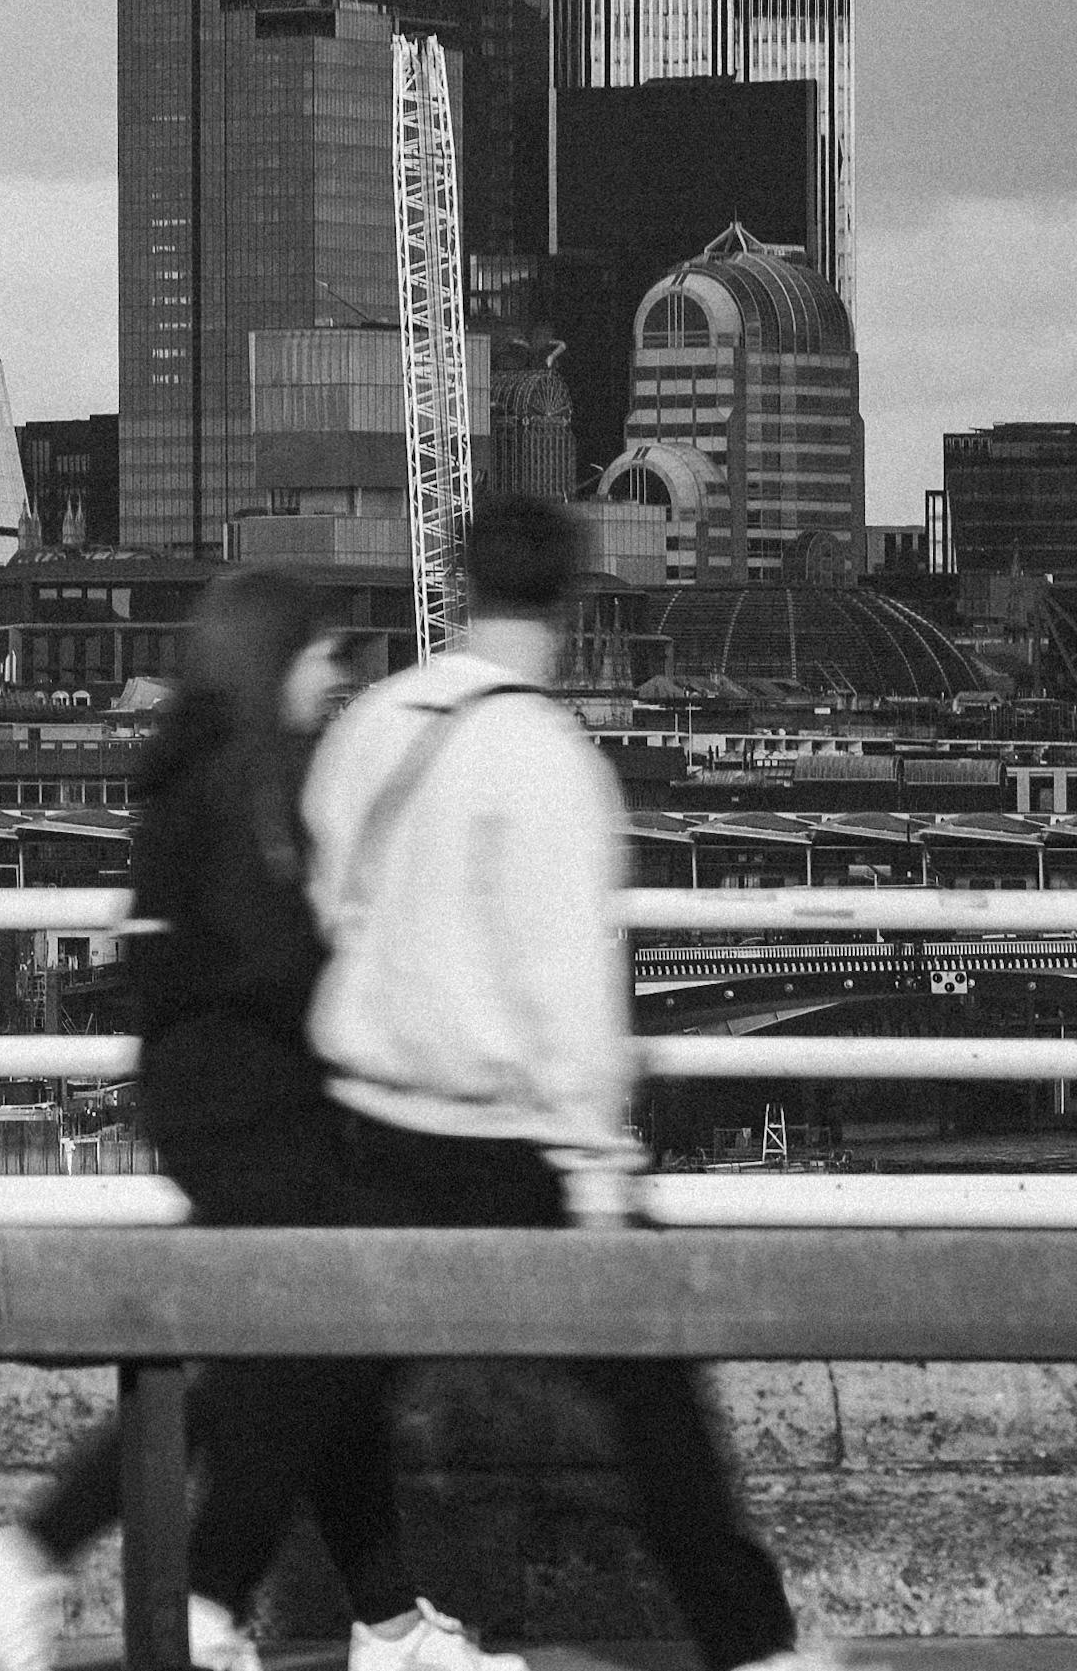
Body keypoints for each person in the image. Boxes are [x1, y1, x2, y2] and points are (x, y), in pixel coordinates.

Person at [0, 568, 512, 1671]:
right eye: (323, 656)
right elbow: (275, 957)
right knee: (287, 1359)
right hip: (260, 1102)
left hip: (209, 1094)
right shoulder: (255, 773)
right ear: (275, 660)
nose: (337, 679)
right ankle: (122, 1580)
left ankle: (387, 1623)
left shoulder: (189, 765)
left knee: (301, 1349)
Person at [303, 495, 827, 1671]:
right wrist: (601, 1172)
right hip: (510, 1139)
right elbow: (570, 994)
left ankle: (378, 1611)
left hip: (368, 1121)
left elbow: (329, 899)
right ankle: (753, 1650)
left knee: (326, 1381)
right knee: (654, 1413)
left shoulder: (373, 721)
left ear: (455, 577)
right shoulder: (549, 760)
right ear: (576, 604)